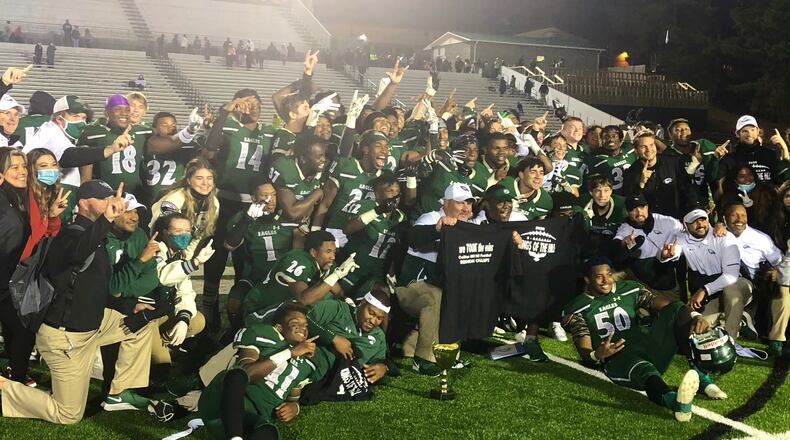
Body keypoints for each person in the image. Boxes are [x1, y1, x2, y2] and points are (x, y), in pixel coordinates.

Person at [0, 180, 153, 423]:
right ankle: (4, 389)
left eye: (111, 199)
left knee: (141, 323)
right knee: (68, 414)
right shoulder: (71, 234)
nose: (110, 204)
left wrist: (128, 307)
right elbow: (78, 251)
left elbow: (96, 289)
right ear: (83, 204)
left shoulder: (99, 235)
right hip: (66, 338)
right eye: (103, 199)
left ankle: (116, 394)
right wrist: (106, 220)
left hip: (95, 327)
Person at [562, 258, 726, 424]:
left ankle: (701, 376)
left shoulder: (628, 288)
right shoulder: (577, 308)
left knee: (677, 309)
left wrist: (695, 316)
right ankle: (675, 403)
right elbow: (584, 351)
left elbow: (668, 305)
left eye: (609, 274)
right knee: (644, 368)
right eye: (599, 277)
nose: (606, 280)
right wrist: (598, 354)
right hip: (619, 358)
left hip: (645, 345)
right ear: (587, 280)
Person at [197, 302, 317, 439]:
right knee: (236, 375)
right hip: (223, 403)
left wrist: (294, 408)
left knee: (269, 432)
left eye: (305, 325)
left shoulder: (307, 362)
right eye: (295, 323)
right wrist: (289, 353)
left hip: (253, 416)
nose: (303, 328)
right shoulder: (263, 334)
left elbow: (293, 399)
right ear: (279, 327)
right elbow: (246, 373)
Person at [396, 183, 480, 375]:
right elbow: (413, 237)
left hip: (440, 288)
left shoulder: (468, 227)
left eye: (469, 203)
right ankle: (422, 360)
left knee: (456, 294)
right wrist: (436, 229)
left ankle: (449, 355)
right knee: (436, 296)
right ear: (446, 202)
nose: (466, 208)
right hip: (410, 286)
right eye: (460, 203)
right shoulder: (432, 217)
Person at [659, 209, 751, 346]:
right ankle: (733, 319)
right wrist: (665, 256)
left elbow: (731, 276)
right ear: (686, 226)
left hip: (738, 283)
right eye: (694, 222)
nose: (700, 224)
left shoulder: (724, 237)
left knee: (730, 293)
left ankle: (731, 342)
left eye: (703, 219)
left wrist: (704, 290)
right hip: (711, 291)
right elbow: (673, 251)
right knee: (694, 332)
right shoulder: (681, 237)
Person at [224, 178, 298, 335]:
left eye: (274, 194)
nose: (271, 200)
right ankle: (236, 334)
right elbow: (229, 245)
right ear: (253, 198)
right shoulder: (242, 218)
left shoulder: (287, 218)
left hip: (282, 276)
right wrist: (247, 220)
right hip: (255, 276)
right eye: (265, 195)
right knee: (234, 300)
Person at [723, 202, 786, 356]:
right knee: (703, 326)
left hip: (746, 283)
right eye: (734, 215)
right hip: (715, 283)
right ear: (725, 218)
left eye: (743, 215)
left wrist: (775, 270)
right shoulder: (717, 234)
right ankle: (742, 319)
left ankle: (730, 343)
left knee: (733, 292)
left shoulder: (759, 238)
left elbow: (780, 260)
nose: (739, 219)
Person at [149, 212, 212, 368]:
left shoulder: (179, 256)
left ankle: (162, 341)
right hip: (145, 317)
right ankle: (150, 347)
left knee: (197, 321)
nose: (184, 235)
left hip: (161, 313)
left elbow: (185, 293)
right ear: (165, 232)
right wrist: (195, 262)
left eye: (187, 231)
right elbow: (163, 277)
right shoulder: (155, 250)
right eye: (178, 231)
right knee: (161, 369)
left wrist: (183, 320)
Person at [340, 172, 405, 298]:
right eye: (390, 191)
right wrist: (378, 210)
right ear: (377, 193)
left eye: (397, 191)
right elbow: (347, 229)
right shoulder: (367, 206)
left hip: (376, 277)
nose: (395, 195)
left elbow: (395, 250)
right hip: (353, 271)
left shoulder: (401, 217)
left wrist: (391, 273)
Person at [149, 157, 219, 259]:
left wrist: (186, 259)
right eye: (199, 178)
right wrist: (161, 258)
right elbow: (156, 233)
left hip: (180, 250)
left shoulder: (214, 203)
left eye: (209, 178)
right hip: (158, 248)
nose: (205, 183)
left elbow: (198, 236)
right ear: (189, 181)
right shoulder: (174, 200)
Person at [613, 194, 683, 294]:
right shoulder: (625, 228)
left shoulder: (667, 222)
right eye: (633, 209)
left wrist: (676, 251)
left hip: (667, 282)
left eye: (642, 207)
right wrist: (624, 245)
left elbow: (687, 235)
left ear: (647, 207)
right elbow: (616, 252)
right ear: (628, 212)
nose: (639, 212)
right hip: (642, 284)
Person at [623, 129, 696, 219]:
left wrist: (691, 214)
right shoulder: (631, 172)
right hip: (650, 223)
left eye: (651, 145)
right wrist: (641, 184)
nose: (649, 149)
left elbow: (688, 191)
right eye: (643, 146)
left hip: (676, 220)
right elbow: (631, 204)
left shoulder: (673, 163)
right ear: (636, 150)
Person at [718, 115, 789, 188]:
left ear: (758, 131)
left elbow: (783, 178)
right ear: (737, 134)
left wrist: (784, 148)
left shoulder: (769, 154)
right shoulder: (730, 159)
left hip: (767, 198)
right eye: (745, 131)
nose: (749, 134)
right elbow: (716, 183)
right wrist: (715, 159)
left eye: (752, 130)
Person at [587, 125, 636, 193]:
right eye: (606, 137)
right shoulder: (596, 160)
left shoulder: (631, 151)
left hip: (633, 194)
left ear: (621, 139)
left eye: (614, 136)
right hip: (612, 199)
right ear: (601, 140)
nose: (610, 140)